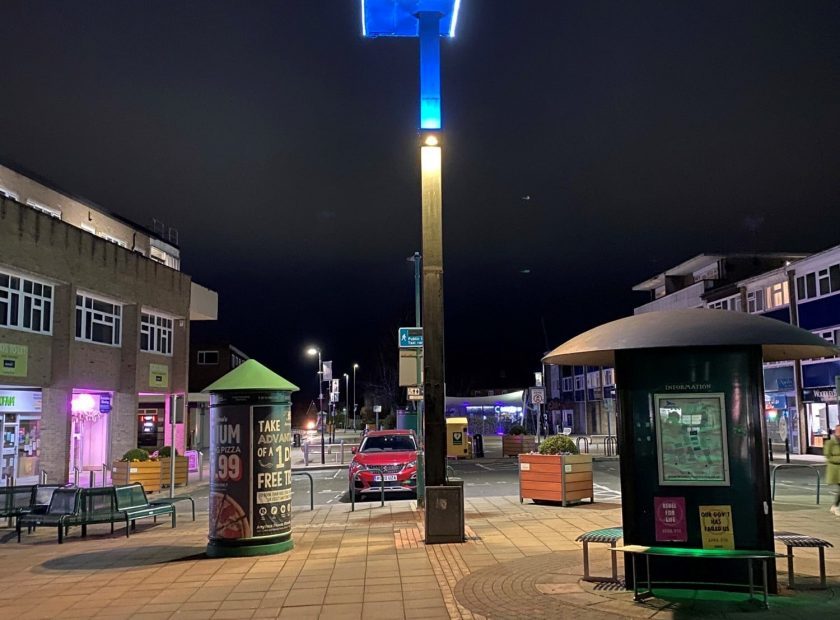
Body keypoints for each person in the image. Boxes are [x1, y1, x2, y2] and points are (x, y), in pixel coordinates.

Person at [825, 423, 840, 516]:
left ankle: (835, 506)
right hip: (835, 470)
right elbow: (828, 456)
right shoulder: (830, 443)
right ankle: (835, 506)